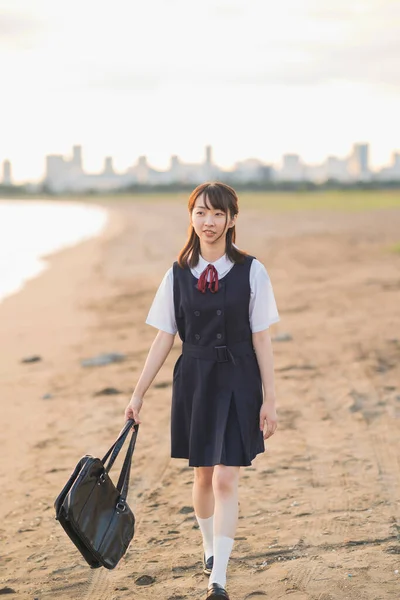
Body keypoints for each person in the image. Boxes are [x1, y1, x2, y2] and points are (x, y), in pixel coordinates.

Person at [125, 181, 279, 600]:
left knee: (227, 477)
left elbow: (262, 338)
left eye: (217, 214)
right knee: (203, 474)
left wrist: (270, 398)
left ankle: (219, 579)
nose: (208, 222)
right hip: (194, 379)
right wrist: (138, 394)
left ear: (232, 219)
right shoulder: (177, 273)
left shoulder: (252, 270)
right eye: (200, 213)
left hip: (240, 378)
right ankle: (210, 547)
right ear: (191, 217)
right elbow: (163, 338)